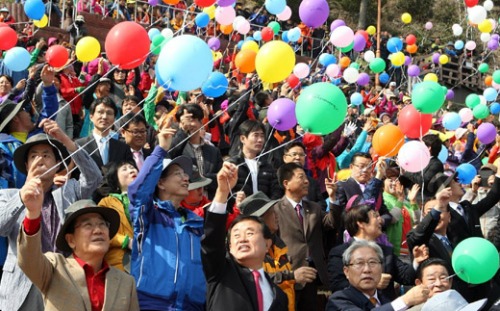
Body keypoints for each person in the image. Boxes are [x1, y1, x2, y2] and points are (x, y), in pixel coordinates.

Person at [0, 119, 102, 311]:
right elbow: (2, 226)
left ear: (57, 165)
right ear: (26, 164)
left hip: (62, 281)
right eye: (34, 156)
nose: (40, 160)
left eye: (47, 155)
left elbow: (94, 177)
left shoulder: (68, 191)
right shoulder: (9, 195)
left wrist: (66, 141)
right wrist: (23, 195)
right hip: (22, 283)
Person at [128, 116, 206, 310]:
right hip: (151, 303)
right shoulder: (148, 216)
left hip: (191, 306)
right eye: (178, 174)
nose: (186, 178)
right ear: (160, 183)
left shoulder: (196, 222)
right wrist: (160, 150)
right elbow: (137, 192)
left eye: (186, 174)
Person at [17, 199, 139, 310]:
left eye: (102, 224)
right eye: (88, 225)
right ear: (71, 240)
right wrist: (32, 216)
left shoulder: (126, 282)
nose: (98, 230)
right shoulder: (55, 268)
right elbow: (29, 260)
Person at [201, 162, 289, 310]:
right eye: (236, 235)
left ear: (267, 244)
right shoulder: (221, 274)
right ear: (230, 246)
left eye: (250, 233)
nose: (242, 239)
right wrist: (222, 192)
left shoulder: (279, 295)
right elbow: (212, 241)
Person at [328, 200, 427, 300]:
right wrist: (370, 283)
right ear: (361, 223)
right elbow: (338, 286)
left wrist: (416, 262)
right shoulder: (340, 253)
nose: (380, 220)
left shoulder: (386, 251)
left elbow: (405, 276)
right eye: (375, 216)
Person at [273, 162, 339, 310]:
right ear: (286, 183)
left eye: (306, 178)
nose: (306, 181)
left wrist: (333, 198)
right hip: (289, 274)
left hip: (313, 274)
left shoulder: (314, 207)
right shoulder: (275, 210)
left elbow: (332, 223)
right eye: (301, 177)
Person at [240, 191, 318, 311]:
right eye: (271, 213)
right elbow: (255, 280)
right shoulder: (247, 250)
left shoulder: (278, 246)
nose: (276, 216)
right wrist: (292, 276)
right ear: (260, 220)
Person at [325, 240, 430, 311]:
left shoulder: (384, 300)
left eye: (373, 262)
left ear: (381, 268)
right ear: (346, 272)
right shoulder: (338, 300)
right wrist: (405, 300)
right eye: (359, 263)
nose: (367, 269)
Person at [169, 104, 223, 199]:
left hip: (210, 201)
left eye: (192, 120)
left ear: (201, 122)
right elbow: (170, 156)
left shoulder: (213, 151)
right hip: (184, 202)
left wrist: (202, 178)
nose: (188, 124)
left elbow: (220, 177)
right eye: (184, 121)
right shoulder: (177, 148)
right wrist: (183, 132)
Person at [98, 160, 138, 271]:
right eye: (125, 169)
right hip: (120, 263)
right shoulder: (107, 203)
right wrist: (125, 241)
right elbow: (101, 232)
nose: (131, 171)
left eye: (132, 167)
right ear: (116, 180)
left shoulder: (152, 200)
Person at [76, 97, 134, 172]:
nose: (105, 117)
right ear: (91, 117)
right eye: (100, 112)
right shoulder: (80, 145)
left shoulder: (123, 147)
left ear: (114, 118)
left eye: (109, 113)